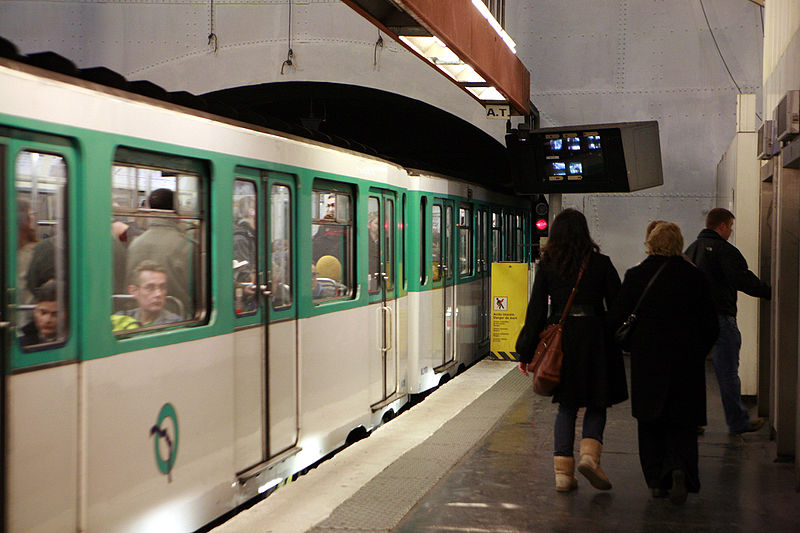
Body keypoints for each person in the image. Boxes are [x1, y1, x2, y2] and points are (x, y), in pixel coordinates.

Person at [515, 208, 628, 492]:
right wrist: (606, 329)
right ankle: (590, 456)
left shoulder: (548, 264)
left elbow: (536, 311)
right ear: (584, 232)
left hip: (563, 340)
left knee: (567, 406)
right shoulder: (601, 263)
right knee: (597, 401)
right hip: (596, 338)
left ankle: (563, 474)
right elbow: (619, 305)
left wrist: (525, 352)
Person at [609, 222, 718, 504]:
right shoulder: (695, 278)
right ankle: (679, 467)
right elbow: (711, 324)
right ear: (680, 244)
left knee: (650, 420)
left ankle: (657, 479)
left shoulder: (636, 275)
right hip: (687, 362)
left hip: (649, 362)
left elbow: (617, 318)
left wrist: (634, 347)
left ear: (651, 243)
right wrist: (698, 352)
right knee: (682, 420)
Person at [685, 208, 770, 435]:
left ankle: (693, 421)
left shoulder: (690, 251)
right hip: (722, 319)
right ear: (722, 226)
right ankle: (737, 422)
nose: (731, 231)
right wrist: (768, 291)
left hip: (694, 321)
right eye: (730, 227)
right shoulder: (725, 251)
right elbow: (742, 279)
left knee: (693, 373)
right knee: (728, 372)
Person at [126, 188, 195, 315]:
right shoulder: (185, 245)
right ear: (177, 210)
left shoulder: (134, 244)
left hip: (141, 317)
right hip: (181, 317)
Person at [115, 260, 182, 328]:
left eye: (162, 287)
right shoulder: (120, 319)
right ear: (134, 291)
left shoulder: (175, 324)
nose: (158, 294)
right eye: (150, 288)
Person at [18, 279, 60, 347]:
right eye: (43, 313)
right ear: (35, 311)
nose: (47, 320)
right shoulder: (20, 345)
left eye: (55, 314)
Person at [233, 196, 257, 313]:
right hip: (244, 299)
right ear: (251, 212)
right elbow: (242, 273)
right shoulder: (240, 239)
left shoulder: (251, 236)